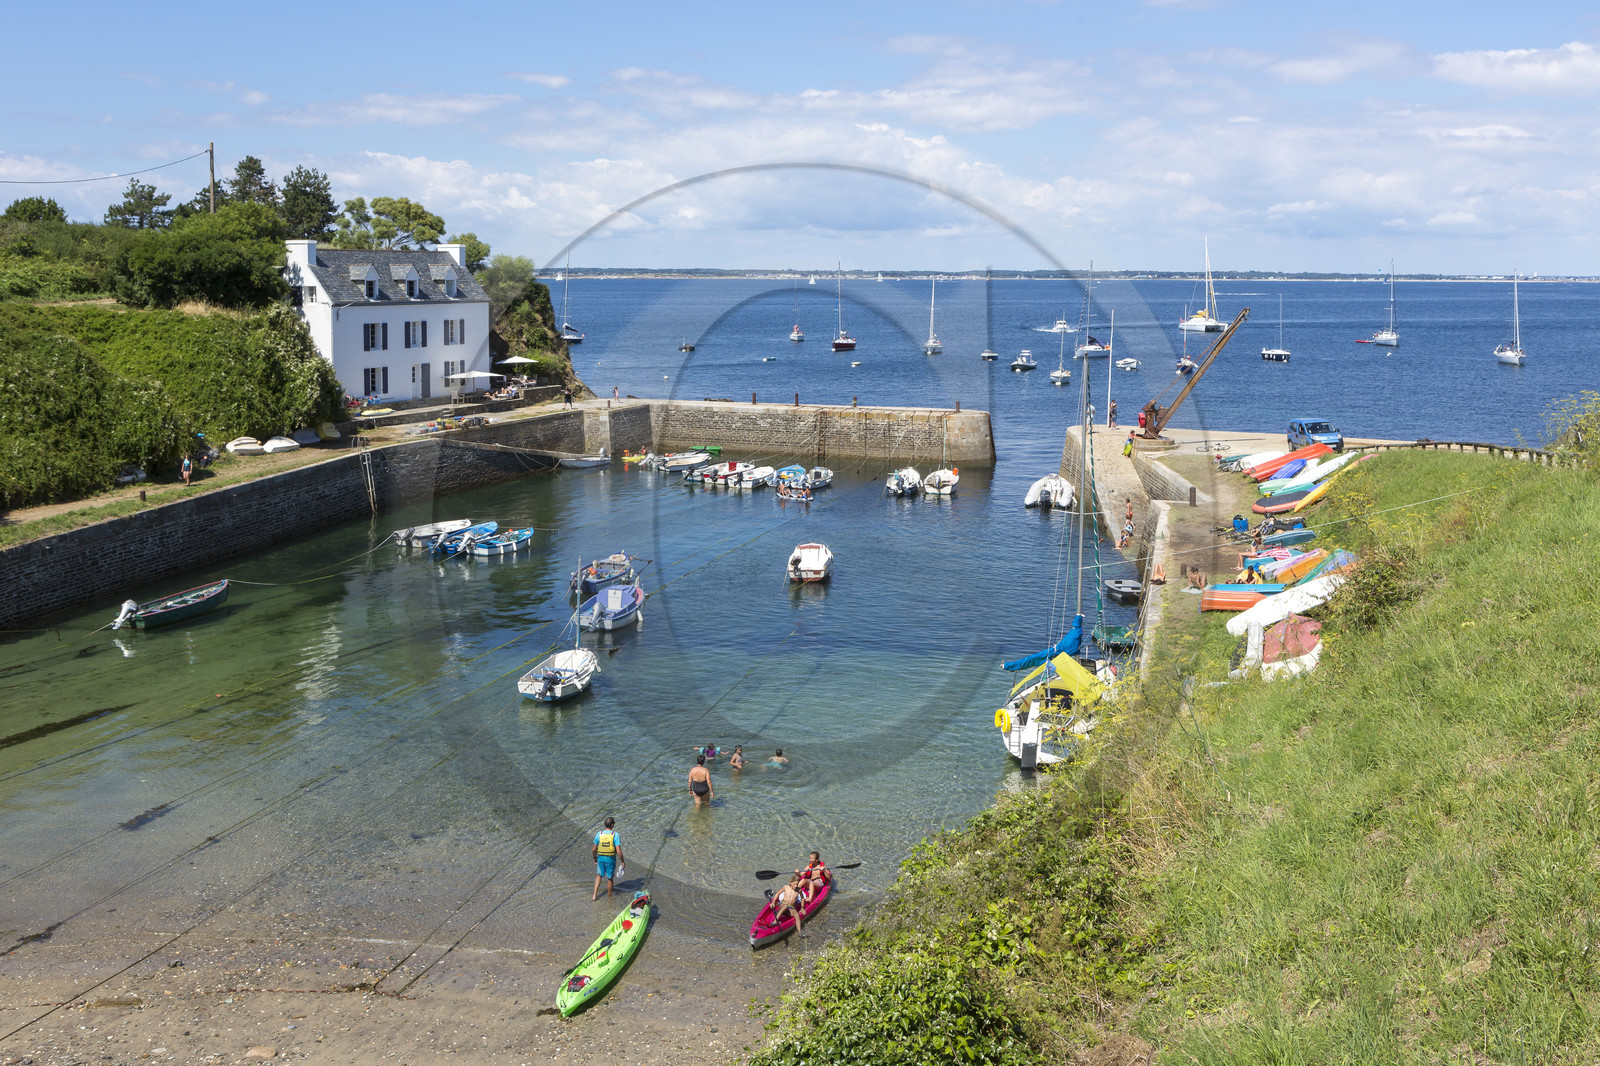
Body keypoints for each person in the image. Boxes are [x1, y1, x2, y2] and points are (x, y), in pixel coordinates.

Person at [592, 817, 624, 900]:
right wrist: (623, 861)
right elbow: (619, 851)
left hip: (600, 858)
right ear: (612, 825)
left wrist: (594, 857)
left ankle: (594, 895)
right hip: (610, 859)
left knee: (599, 875)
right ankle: (609, 897)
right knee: (610, 878)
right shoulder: (615, 835)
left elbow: (593, 849)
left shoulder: (599, 834)